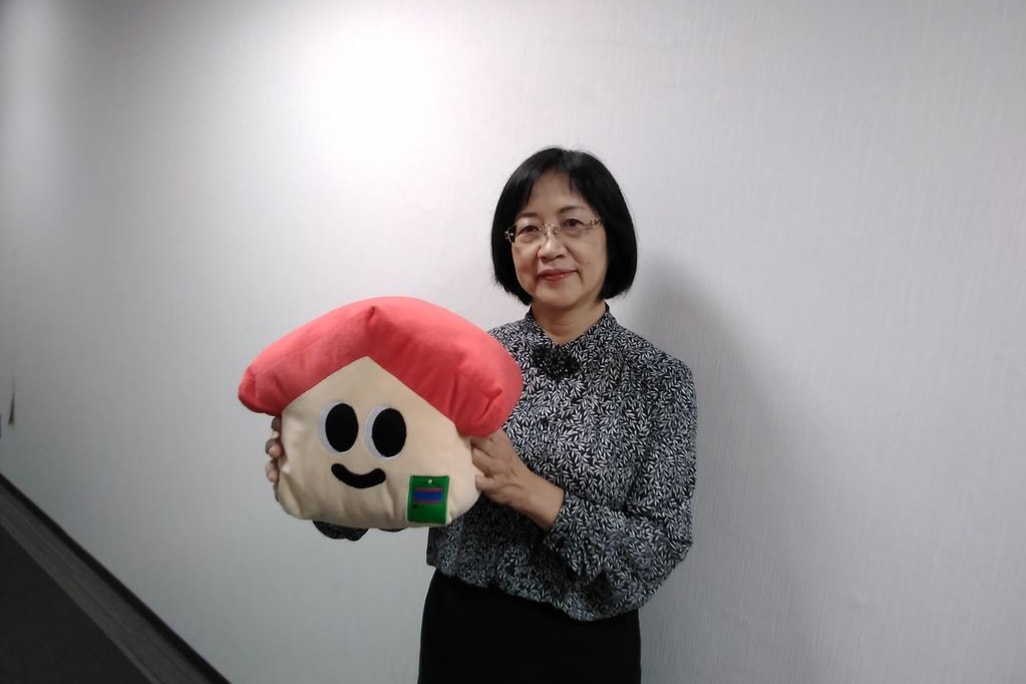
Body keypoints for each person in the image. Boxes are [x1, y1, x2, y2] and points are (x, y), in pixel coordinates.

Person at [264, 147, 697, 683]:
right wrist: (324, 474)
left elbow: (658, 548)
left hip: (584, 650)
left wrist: (531, 492)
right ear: (509, 245)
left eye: (572, 224)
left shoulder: (658, 382)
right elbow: (421, 493)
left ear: (612, 236)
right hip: (461, 633)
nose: (550, 247)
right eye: (529, 229)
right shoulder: (464, 360)